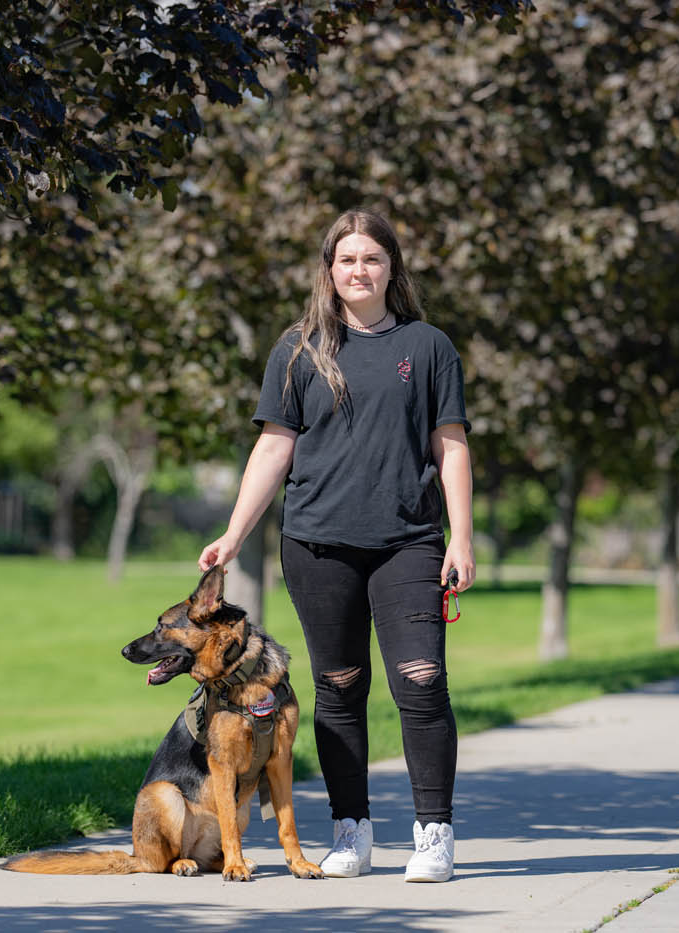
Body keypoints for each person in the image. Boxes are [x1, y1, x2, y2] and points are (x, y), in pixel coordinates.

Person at [199, 208, 474, 883]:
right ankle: (352, 830)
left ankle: (433, 833)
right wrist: (233, 533)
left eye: (372, 259)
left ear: (391, 268)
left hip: (409, 539)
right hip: (317, 542)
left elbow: (451, 444)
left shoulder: (428, 346)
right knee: (339, 685)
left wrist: (461, 535)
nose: (360, 270)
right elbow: (274, 447)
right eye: (347, 259)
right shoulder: (298, 349)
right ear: (330, 270)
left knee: (423, 679)